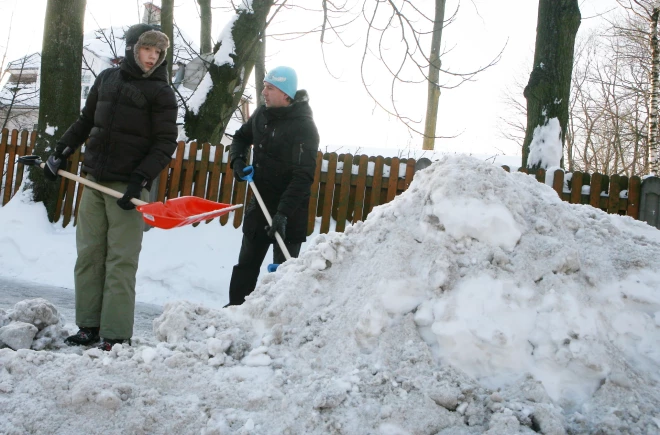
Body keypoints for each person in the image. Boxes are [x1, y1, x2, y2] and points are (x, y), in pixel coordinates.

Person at [43, 24, 177, 351]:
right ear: (133, 48)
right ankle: (88, 326)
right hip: (93, 180)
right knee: (89, 255)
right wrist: (60, 152)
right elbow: (86, 121)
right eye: (148, 49)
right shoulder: (106, 79)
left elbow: (165, 143)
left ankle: (115, 334)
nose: (153, 57)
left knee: (120, 261)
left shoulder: (161, 92)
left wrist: (141, 179)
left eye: (158, 52)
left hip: (127, 190)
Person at [227, 66, 320, 306]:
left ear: (286, 94)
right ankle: (234, 312)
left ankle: (274, 324)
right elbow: (240, 138)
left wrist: (283, 214)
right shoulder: (261, 115)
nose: (264, 93)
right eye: (264, 87)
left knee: (282, 274)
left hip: (290, 212)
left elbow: (303, 177)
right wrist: (237, 161)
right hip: (260, 204)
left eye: (270, 88)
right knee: (246, 265)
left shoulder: (304, 127)